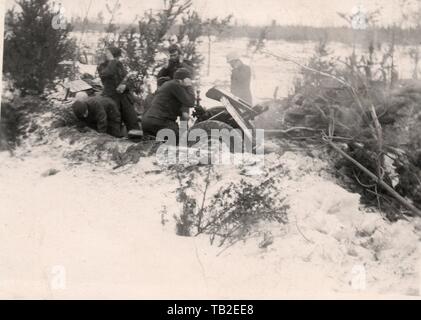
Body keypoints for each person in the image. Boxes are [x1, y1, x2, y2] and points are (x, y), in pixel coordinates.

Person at [142, 68, 195, 141]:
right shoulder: (175, 85)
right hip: (159, 122)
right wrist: (189, 86)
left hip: (149, 122)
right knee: (184, 141)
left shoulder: (168, 85)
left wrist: (183, 113)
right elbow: (191, 102)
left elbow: (168, 106)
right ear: (184, 79)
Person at [97, 46, 140, 132]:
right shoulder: (101, 67)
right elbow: (107, 74)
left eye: (108, 53)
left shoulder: (119, 65)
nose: (106, 54)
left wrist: (125, 86)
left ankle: (137, 142)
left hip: (125, 99)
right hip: (112, 99)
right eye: (107, 53)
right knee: (115, 125)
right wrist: (112, 61)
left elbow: (129, 80)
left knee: (133, 123)